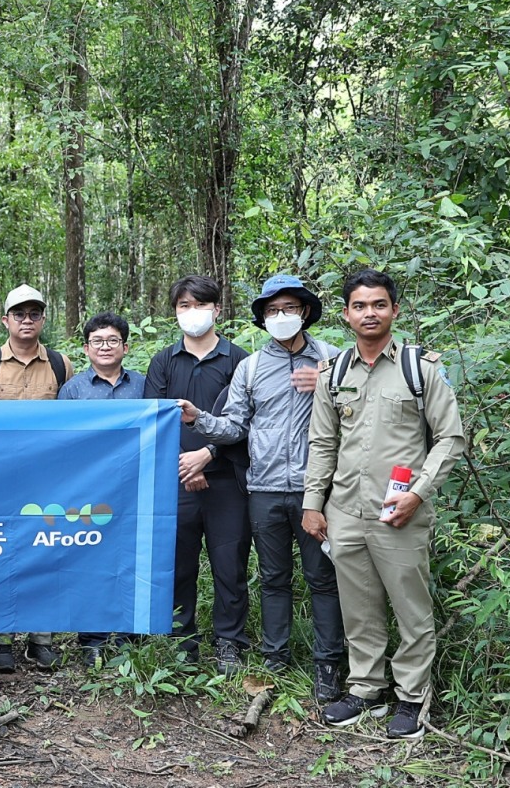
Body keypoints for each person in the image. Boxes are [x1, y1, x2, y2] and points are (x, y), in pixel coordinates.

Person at [305, 270, 465, 739]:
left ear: (394, 310)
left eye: (378, 304)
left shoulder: (420, 369)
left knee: (410, 608)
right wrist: (313, 503)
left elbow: (450, 438)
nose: (369, 313)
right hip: (344, 511)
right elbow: (323, 443)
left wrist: (418, 493)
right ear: (346, 314)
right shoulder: (333, 373)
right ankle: (365, 689)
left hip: (400, 512)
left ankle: (412, 697)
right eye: (359, 306)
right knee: (359, 608)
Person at [176, 276, 345, 701]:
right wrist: (199, 418)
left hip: (316, 490)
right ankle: (275, 656)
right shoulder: (251, 367)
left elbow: (360, 412)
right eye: (272, 310)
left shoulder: (333, 360)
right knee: (273, 577)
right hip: (264, 489)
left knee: (322, 578)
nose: (280, 316)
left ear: (305, 311)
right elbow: (235, 426)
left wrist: (328, 385)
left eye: (288, 308)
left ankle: (328, 664)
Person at [144, 275, 252, 675]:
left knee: (230, 566)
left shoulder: (239, 360)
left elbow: (247, 420)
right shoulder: (163, 361)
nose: (193, 313)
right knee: (179, 564)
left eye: (201, 304)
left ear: (217, 309)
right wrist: (185, 465)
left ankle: (229, 642)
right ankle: (181, 641)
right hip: (176, 481)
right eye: (184, 306)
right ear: (175, 312)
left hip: (228, 480)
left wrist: (207, 455)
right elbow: (154, 419)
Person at [0, 284, 73, 671]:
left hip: (46, 480)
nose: (27, 320)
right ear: (5, 320)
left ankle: (40, 638)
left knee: (44, 553)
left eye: (34, 314)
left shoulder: (60, 364)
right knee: (1, 554)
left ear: (43, 319)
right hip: (0, 478)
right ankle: (0, 638)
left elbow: (69, 424)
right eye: (19, 314)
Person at [58, 312, 146, 667]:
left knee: (129, 559)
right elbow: (62, 443)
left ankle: (128, 635)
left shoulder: (144, 385)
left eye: (112, 340)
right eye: (97, 341)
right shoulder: (73, 390)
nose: (105, 347)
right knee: (89, 563)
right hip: (88, 492)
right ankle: (91, 639)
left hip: (135, 488)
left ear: (125, 346)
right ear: (86, 348)